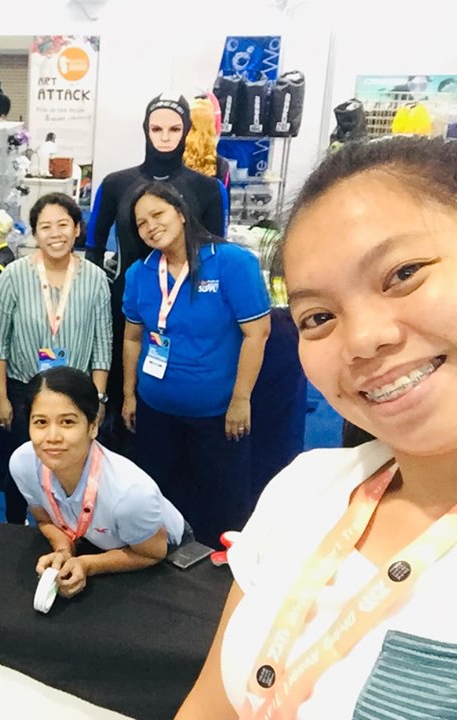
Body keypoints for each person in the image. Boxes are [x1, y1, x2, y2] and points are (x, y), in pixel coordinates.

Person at [179, 136, 457, 719]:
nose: (364, 339)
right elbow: (210, 706)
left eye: (403, 274)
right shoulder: (305, 488)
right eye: (319, 317)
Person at [121, 181, 270, 548]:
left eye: (158, 214)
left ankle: (219, 571)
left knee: (221, 504)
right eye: (141, 223)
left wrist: (241, 400)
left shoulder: (232, 262)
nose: (151, 226)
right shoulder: (140, 273)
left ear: (182, 213)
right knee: (159, 499)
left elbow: (257, 333)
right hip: (156, 411)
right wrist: (129, 394)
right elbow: (132, 338)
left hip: (217, 414)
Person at [84, 92, 225, 453]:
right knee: (118, 395)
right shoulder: (116, 184)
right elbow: (93, 248)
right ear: (145, 130)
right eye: (156, 128)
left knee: (173, 396)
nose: (164, 136)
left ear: (187, 131)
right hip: (125, 306)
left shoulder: (207, 188)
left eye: (174, 129)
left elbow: (216, 254)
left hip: (186, 307)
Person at [0, 192, 112, 524]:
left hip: (76, 393)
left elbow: (103, 344)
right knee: (22, 467)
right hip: (25, 391)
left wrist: (99, 397)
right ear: (34, 233)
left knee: (74, 469)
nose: (55, 234)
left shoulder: (96, 278)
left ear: (77, 229)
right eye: (45, 227)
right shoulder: (13, 276)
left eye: (63, 225)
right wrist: (0, 396)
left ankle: (72, 530)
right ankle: (15, 529)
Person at [9, 367, 187, 597]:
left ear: (93, 426)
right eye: (41, 422)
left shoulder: (131, 493)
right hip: (93, 542)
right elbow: (44, 519)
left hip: (158, 550)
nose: (52, 437)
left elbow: (152, 553)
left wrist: (88, 565)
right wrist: (63, 550)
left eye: (67, 422)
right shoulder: (23, 464)